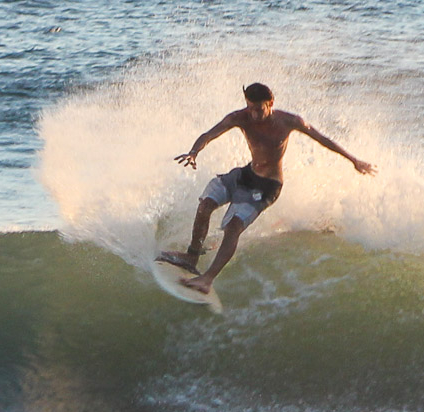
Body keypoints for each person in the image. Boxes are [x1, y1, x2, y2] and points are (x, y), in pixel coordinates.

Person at [158, 83, 376, 294]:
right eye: (250, 108)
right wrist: (194, 152)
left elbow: (323, 139)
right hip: (246, 174)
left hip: (267, 186)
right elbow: (209, 134)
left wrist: (353, 160)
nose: (253, 114)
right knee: (205, 205)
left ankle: (207, 279)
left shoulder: (289, 121)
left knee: (234, 227)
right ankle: (192, 256)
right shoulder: (240, 117)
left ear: (271, 102)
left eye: (259, 109)